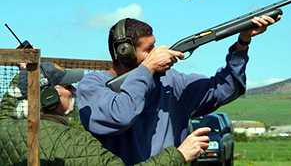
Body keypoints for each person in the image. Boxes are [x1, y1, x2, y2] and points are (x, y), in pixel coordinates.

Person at [76, 15, 280, 165]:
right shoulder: (93, 86)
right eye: (149, 50)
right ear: (124, 53)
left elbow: (227, 88)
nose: (157, 53)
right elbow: (120, 117)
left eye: (155, 46)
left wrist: (243, 42)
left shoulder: (171, 82)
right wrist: (147, 69)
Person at [0, 61, 211, 165]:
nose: (74, 89)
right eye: (67, 86)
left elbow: (9, 105)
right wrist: (179, 155)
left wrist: (28, 69)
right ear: (50, 96)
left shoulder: (5, 127)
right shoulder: (71, 141)